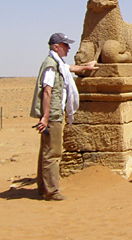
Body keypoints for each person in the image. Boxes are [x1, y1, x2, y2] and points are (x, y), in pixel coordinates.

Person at [30, 33, 98, 201]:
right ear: (56, 47)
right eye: (65, 45)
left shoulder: (57, 64)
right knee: (53, 153)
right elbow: (47, 91)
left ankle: (43, 187)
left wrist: (86, 67)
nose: (68, 48)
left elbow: (69, 69)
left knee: (46, 151)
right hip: (52, 115)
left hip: (52, 113)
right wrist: (45, 117)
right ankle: (52, 192)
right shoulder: (51, 65)